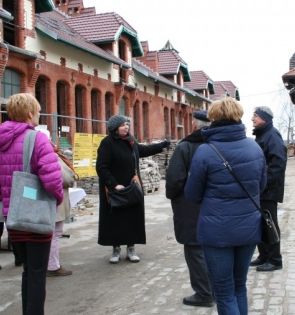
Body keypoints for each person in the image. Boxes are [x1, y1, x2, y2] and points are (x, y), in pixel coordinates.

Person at [184, 98, 266, 315]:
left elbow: (191, 194)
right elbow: (262, 185)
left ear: (213, 118)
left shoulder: (205, 151)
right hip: (248, 228)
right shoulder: (254, 147)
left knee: (223, 291)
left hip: (217, 231)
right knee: (239, 285)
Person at [0, 93, 63, 315]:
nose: (39, 116)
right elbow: (52, 180)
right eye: (38, 111)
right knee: (37, 274)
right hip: (36, 217)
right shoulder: (38, 139)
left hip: (13, 218)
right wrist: (56, 200)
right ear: (30, 113)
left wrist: (11, 198)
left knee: (28, 270)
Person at [96, 115, 169, 263]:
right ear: (115, 128)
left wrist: (162, 145)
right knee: (115, 220)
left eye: (127, 124)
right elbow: (101, 167)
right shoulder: (107, 143)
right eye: (123, 125)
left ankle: (131, 249)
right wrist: (114, 184)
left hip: (132, 188)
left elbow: (143, 150)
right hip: (115, 190)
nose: (126, 127)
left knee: (132, 219)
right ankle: (115, 250)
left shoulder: (130, 141)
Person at [165, 110, 214, 307]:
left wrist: (172, 195)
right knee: (216, 249)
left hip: (190, 205)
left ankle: (204, 293)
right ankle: (218, 289)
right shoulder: (220, 144)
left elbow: (174, 179)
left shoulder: (185, 147)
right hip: (217, 205)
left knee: (195, 249)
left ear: (194, 125)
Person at [249, 106, 287, 272]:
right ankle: (264, 255)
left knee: (269, 223)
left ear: (264, 118)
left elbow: (278, 163)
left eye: (255, 116)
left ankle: (275, 259)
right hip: (261, 188)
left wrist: (263, 183)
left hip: (268, 189)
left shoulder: (272, 135)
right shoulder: (262, 135)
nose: (252, 119)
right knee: (260, 223)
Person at [47, 145, 76, 277]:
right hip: (55, 200)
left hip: (40, 200)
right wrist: (72, 179)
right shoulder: (51, 155)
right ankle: (53, 266)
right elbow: (66, 178)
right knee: (55, 234)